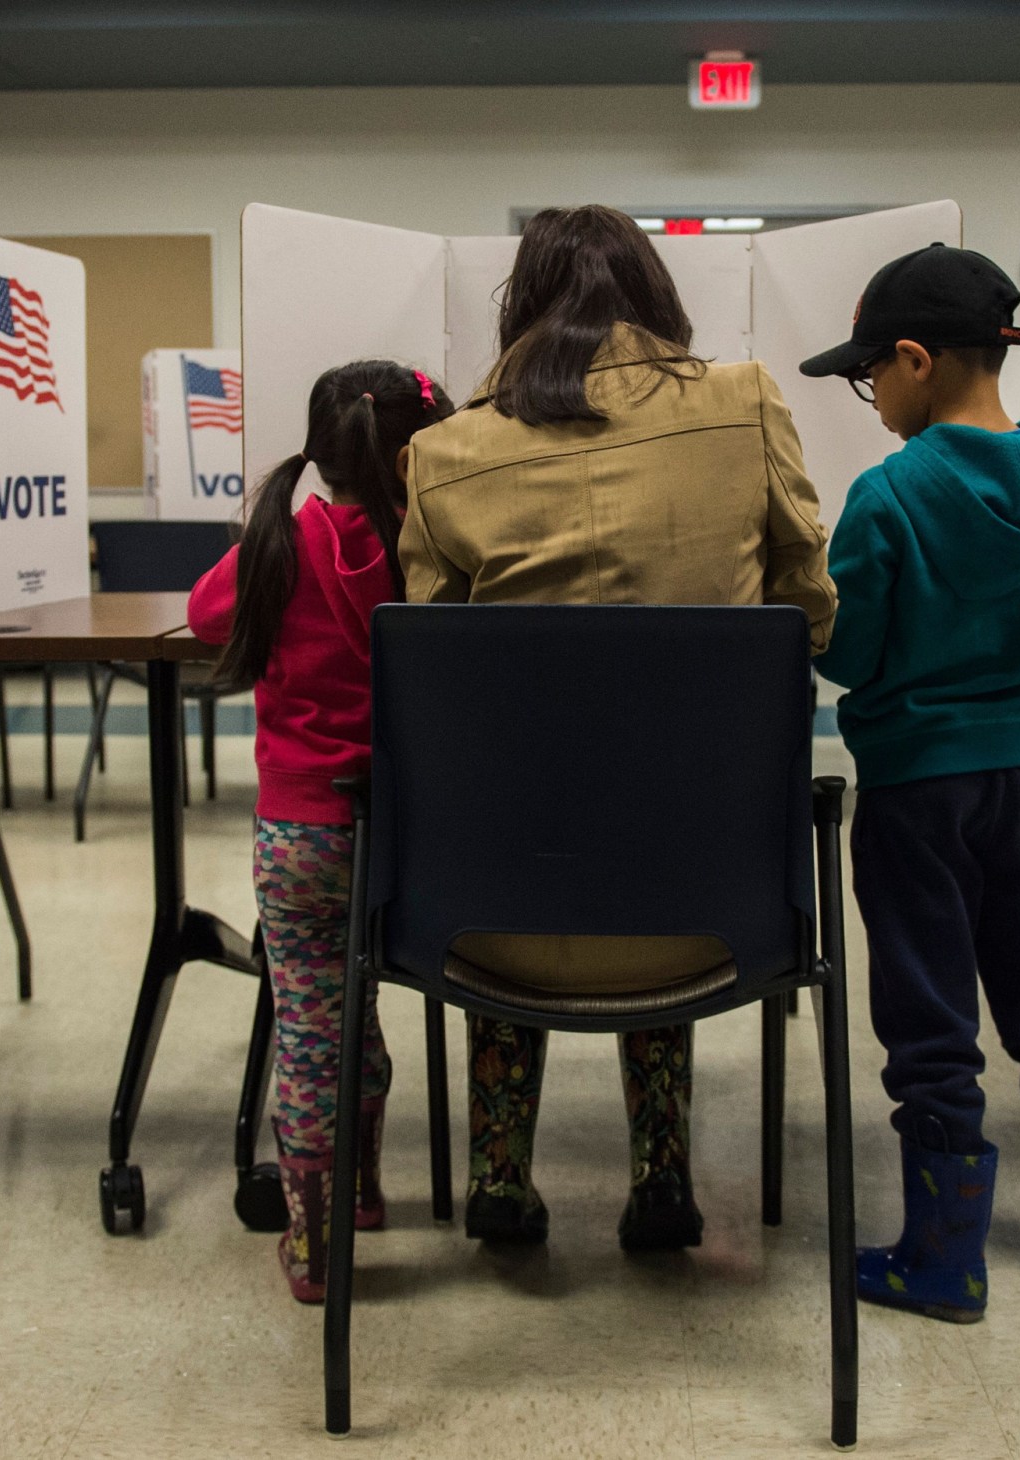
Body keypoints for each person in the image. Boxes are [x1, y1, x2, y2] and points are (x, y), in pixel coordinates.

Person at [398, 204, 836, 1253]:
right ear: (654, 295)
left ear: (519, 306)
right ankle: (662, 1175)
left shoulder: (442, 451)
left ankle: (498, 1176)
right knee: (660, 800)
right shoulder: (744, 403)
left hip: (490, 917)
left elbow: (422, 672)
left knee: (526, 806)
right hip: (710, 908)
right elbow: (808, 611)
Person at [801, 244, 1020, 1323]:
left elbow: (846, 653)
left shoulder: (889, 492)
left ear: (913, 361)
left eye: (869, 376)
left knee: (930, 1015)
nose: (872, 397)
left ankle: (946, 1257)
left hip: (911, 798)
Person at [187, 360, 455, 1303]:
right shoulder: (423, 547)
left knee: (312, 1027)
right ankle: (368, 1191)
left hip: (298, 836)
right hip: (406, 842)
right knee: (367, 1010)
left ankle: (318, 1243)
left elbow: (203, 612)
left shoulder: (283, 540)